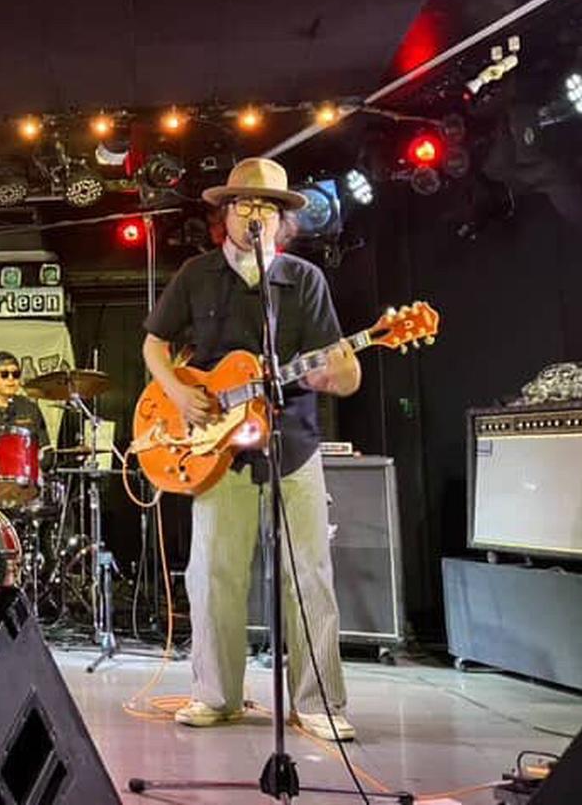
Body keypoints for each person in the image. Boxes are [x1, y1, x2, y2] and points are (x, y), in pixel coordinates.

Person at [141, 157, 361, 742]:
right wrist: (178, 394)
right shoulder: (197, 274)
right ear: (227, 212)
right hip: (217, 450)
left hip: (293, 444)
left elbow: (339, 367)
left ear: (283, 219)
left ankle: (317, 703)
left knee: (309, 575)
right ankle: (217, 696)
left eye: (266, 205)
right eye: (244, 204)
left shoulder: (304, 280)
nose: (253, 214)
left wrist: (332, 374)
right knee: (214, 574)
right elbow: (154, 344)